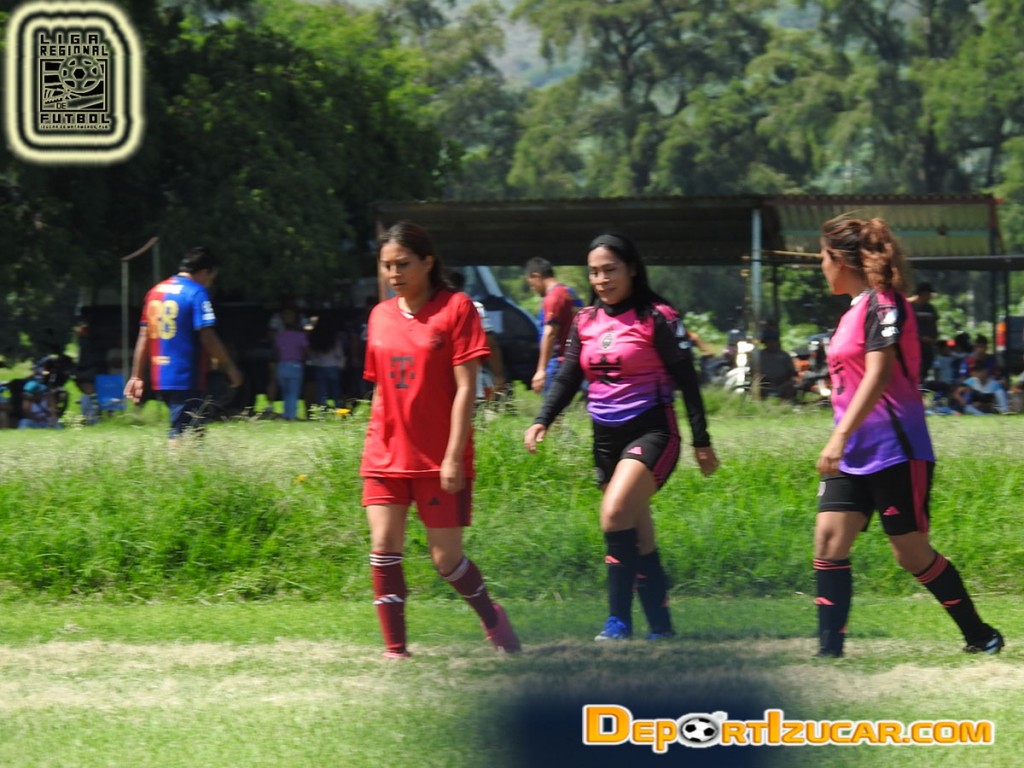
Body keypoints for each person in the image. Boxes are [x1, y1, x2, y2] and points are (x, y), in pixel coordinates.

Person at [813, 216, 1002, 657]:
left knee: (910, 553)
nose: (820, 266)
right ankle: (828, 654)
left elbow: (878, 374)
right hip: (853, 451)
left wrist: (838, 436)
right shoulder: (851, 312)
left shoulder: (885, 304)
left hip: (895, 448)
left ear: (841, 260)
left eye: (822, 257)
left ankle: (981, 635)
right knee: (829, 540)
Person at [524, 233, 719, 641]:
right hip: (605, 438)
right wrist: (543, 419)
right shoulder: (585, 320)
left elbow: (688, 380)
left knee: (614, 513)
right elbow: (569, 376)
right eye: (594, 272)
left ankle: (617, 622)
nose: (601, 279)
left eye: (610, 270)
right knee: (637, 530)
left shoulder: (658, 316)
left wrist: (701, 441)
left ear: (631, 269)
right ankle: (661, 627)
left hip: (652, 431)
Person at [360, 221, 520, 658]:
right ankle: (396, 650)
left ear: (428, 262)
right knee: (383, 547)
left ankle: (493, 619)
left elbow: (467, 388)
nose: (394, 273)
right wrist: (374, 441)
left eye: (403, 264)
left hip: (438, 457)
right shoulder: (379, 315)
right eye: (387, 265)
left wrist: (453, 456)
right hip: (384, 453)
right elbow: (380, 388)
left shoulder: (457, 308)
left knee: (445, 560)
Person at [125, 246, 243, 438]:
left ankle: (193, 457)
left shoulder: (155, 291)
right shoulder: (196, 292)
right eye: (211, 278)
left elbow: (144, 336)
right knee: (181, 433)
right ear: (205, 272)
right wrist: (230, 367)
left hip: (161, 375)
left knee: (194, 429)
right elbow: (208, 336)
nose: (210, 283)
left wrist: (137, 376)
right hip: (186, 375)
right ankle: (176, 458)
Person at [446, 269, 506, 400]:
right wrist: (498, 376)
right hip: (470, 385)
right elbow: (491, 344)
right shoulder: (476, 307)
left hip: (439, 387)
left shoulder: (432, 310)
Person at [525, 257, 581, 395]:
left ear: (536, 276)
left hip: (557, 362)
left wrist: (541, 370)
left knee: (551, 406)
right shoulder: (570, 293)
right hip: (572, 359)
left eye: (531, 284)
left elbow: (550, 333)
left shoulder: (553, 297)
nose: (532, 288)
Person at [272, 307, 309, 421]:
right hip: (295, 365)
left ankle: (286, 414)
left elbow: (276, 351)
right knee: (293, 392)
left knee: (285, 392)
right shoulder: (301, 336)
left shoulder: (280, 336)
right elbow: (305, 350)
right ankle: (291, 416)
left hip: (282, 365)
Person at [752, 327, 796, 400]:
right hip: (764, 384)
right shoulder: (759, 356)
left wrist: (782, 379)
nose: (771, 344)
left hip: (781, 384)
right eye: (768, 342)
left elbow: (791, 371)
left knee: (790, 386)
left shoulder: (784, 355)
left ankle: (787, 403)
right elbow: (753, 371)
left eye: (773, 342)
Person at [909, 281, 939, 382]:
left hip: (928, 346)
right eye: (928, 293)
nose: (930, 296)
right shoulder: (910, 307)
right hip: (914, 344)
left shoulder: (930, 309)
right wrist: (920, 337)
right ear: (922, 293)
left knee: (925, 367)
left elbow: (934, 325)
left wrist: (933, 338)